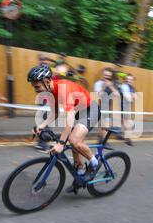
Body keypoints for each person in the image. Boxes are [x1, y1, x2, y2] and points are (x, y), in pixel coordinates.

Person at [28, 64, 101, 194]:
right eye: (34, 87)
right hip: (78, 111)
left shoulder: (63, 88)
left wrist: (61, 144)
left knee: (73, 140)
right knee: (72, 143)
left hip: (90, 110)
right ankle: (80, 172)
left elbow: (69, 118)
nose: (35, 90)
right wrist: (41, 125)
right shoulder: (49, 91)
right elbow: (54, 113)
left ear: (47, 81)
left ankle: (94, 163)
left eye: (37, 86)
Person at [94, 68, 120, 148]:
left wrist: (111, 86)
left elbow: (117, 95)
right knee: (104, 125)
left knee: (104, 126)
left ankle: (100, 140)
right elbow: (98, 95)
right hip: (99, 106)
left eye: (108, 76)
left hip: (108, 107)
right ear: (103, 75)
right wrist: (104, 86)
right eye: (105, 75)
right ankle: (104, 142)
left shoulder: (112, 84)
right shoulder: (98, 83)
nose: (106, 77)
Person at [119, 73, 136, 146]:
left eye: (130, 79)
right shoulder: (124, 86)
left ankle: (122, 135)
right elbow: (128, 98)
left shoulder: (132, 87)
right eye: (128, 79)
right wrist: (131, 97)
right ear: (125, 79)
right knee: (127, 122)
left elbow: (135, 98)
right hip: (123, 106)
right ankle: (128, 138)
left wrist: (132, 97)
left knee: (124, 121)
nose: (129, 80)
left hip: (127, 106)